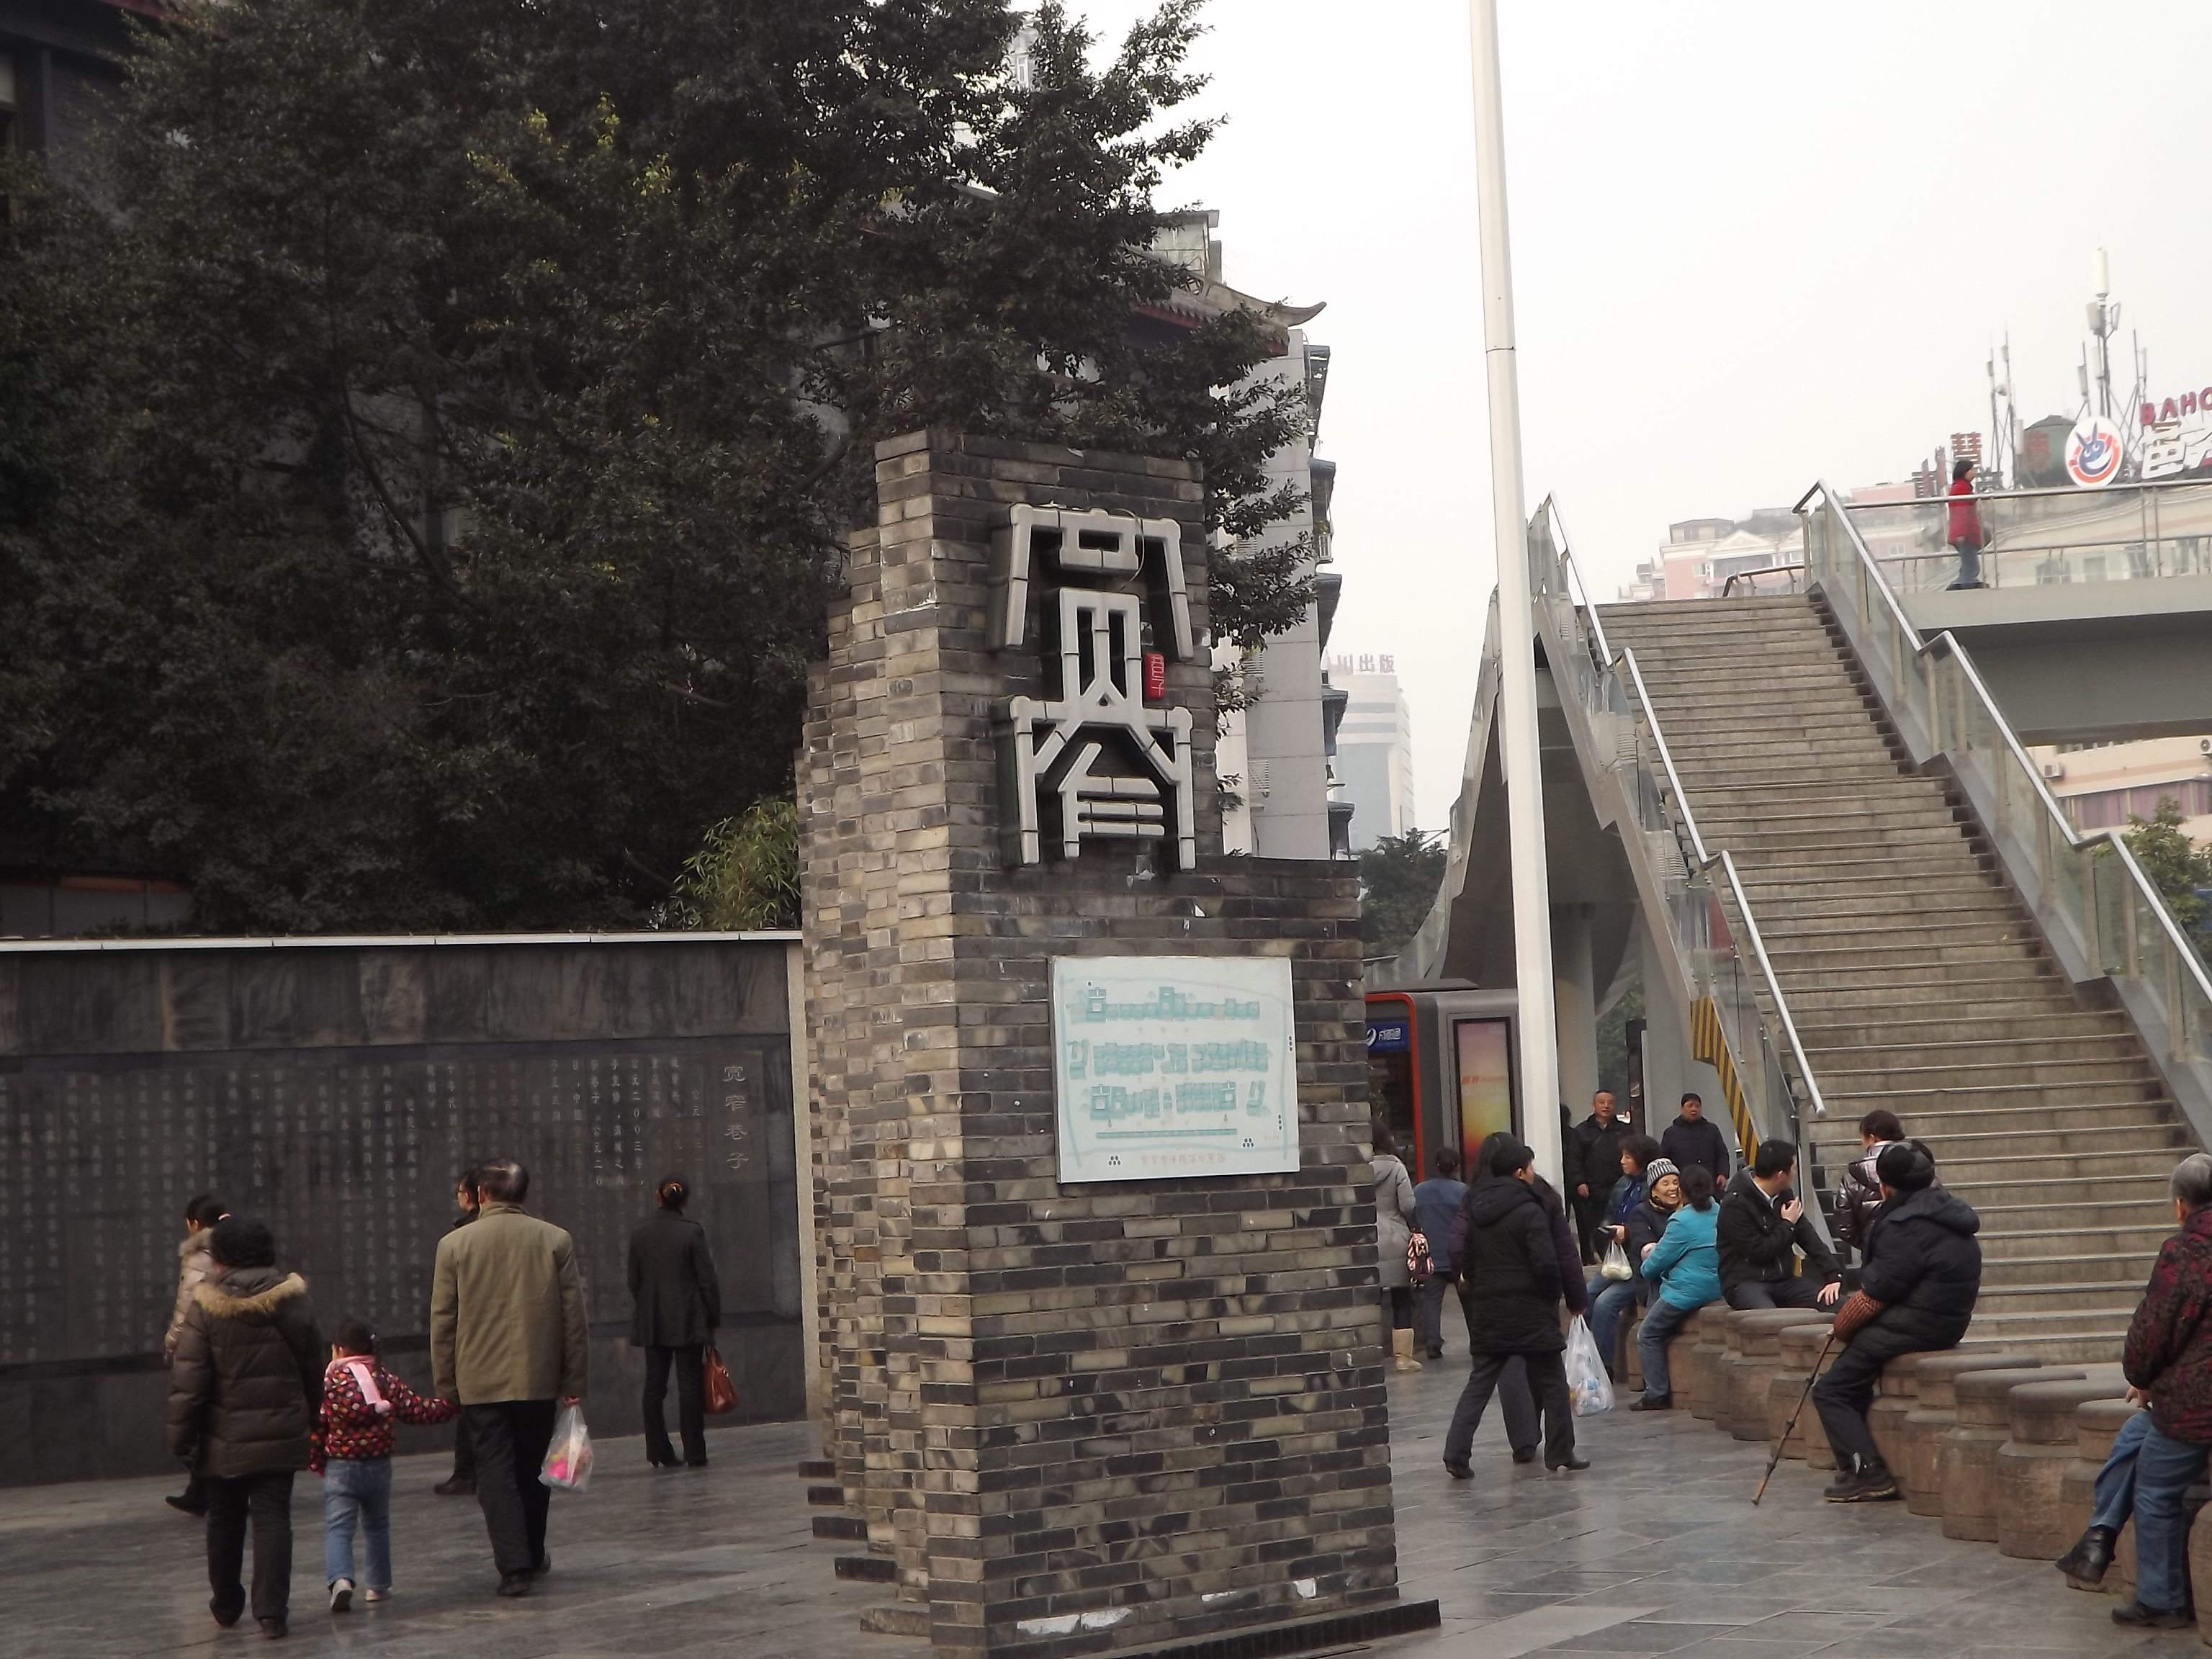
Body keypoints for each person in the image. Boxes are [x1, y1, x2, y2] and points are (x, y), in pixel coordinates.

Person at [430, 1157, 589, 1599]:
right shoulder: (555, 1239)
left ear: (481, 1195)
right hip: (538, 1378)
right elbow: (573, 1318)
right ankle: (533, 1553)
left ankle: (514, 1567)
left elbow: (443, 1321)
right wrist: (574, 1379)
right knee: (532, 1470)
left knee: (494, 1472)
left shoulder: (454, 1245)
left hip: (479, 1381)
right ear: (524, 1194)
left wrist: (446, 1384)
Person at [166, 1216, 323, 1640]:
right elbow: (313, 1370)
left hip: (222, 1438)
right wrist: (312, 1419)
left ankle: (226, 1602)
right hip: (281, 1431)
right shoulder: (294, 1300)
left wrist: (182, 1439)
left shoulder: (205, 1306)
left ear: (220, 1258)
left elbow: (189, 1381)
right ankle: (271, 1613)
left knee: (224, 1518)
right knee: (273, 1518)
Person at [2072, 1152, 2212, 1628]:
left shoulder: (2187, 1251)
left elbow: (2153, 1332)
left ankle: (2160, 1598)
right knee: (2137, 1432)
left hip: (2198, 1406)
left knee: (2155, 1489)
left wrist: (2143, 1376)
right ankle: (2098, 1537)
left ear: (2181, 1205)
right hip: (2192, 1396)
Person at [1811, 1140, 1981, 1502]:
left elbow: (1876, 1294)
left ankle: (1868, 1472)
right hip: (1948, 1320)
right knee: (1854, 1380)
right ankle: (1858, 1460)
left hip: (1915, 1324)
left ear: (1885, 1188)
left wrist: (1841, 1326)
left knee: (1830, 1391)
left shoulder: (1904, 1225)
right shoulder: (1949, 1211)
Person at [1440, 1137, 1584, 1479]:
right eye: (1530, 1167)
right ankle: (1560, 1451)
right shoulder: (1531, 1208)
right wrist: (1549, 1296)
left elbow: (1468, 1259)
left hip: (1489, 1307)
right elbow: (1546, 1262)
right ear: (1520, 1172)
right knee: (1553, 1381)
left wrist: (1480, 1289)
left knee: (1480, 1382)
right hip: (1529, 1308)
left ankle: (1456, 1453)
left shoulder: (1476, 1207)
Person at [314, 1316, 460, 1611]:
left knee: (339, 1528)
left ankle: (341, 1580)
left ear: (339, 1349)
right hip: (378, 1466)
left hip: (341, 1467)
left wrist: (317, 1461)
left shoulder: (329, 1383)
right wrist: (452, 1406)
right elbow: (416, 1409)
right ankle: (378, 1587)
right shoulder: (385, 1379)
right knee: (377, 1526)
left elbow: (318, 1427)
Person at [628, 1175, 724, 1468]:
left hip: (653, 1319)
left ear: (658, 1196)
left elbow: (634, 1280)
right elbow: (707, 1280)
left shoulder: (640, 1233)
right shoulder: (692, 1232)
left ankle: (658, 1450)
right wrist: (712, 1317)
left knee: (654, 1386)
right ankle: (695, 1451)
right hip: (688, 1318)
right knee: (690, 1385)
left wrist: (648, 1304)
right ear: (685, 1200)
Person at [1631, 1163, 1719, 1411]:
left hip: (1688, 1292)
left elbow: (1653, 1266)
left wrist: (1646, 1265)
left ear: (1684, 1191)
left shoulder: (1681, 1220)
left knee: (1647, 1334)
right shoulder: (1720, 1211)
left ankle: (1656, 1393)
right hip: (1720, 1287)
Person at [164, 1192, 230, 1516]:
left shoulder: (198, 1255)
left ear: (194, 1224)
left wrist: (172, 1341)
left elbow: (187, 1307)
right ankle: (200, 1490)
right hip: (233, 1346)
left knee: (198, 1419)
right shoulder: (237, 1247)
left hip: (203, 1347)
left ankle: (209, 1491)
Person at [1718, 1138, 1843, 1312]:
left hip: (1785, 1281)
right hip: (1746, 1283)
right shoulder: (1735, 1204)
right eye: (1794, 1168)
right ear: (1781, 1175)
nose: (1795, 1173)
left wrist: (1833, 1275)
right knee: (1770, 1320)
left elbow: (1807, 1236)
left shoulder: (1783, 1194)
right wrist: (1787, 1224)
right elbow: (1759, 1251)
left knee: (1844, 1307)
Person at [1589, 1153, 1675, 1380]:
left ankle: (1604, 1369)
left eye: (1675, 1182)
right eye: (1666, 1183)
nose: (1673, 1188)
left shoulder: (1684, 1212)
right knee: (1587, 1295)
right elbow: (1643, 1249)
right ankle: (1589, 1359)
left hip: (1648, 1274)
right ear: (1654, 1189)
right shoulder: (1635, 1201)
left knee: (1605, 1304)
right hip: (1628, 1264)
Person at [434, 1167, 482, 1497]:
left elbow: (444, 1311)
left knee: (472, 1412)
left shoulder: (460, 1239)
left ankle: (467, 1473)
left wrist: (444, 1377)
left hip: (473, 1341)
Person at [1370, 1125, 1421, 1372]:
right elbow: (1408, 1205)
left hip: (1366, 1237)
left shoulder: (1357, 1167)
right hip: (1395, 1237)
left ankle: (1369, 1353)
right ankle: (1403, 1357)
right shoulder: (1396, 1167)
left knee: (1371, 1299)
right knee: (1401, 1298)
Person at [1411, 1147, 1470, 1361]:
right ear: (1457, 1167)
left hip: (1431, 1256)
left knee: (1432, 1302)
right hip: (1459, 1257)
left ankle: (1432, 1343)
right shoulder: (1464, 1192)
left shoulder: (1419, 1191)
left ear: (1436, 1166)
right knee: (1469, 1301)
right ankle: (1477, 1341)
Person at [1568, 1090, 1632, 1263]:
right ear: (1594, 1106)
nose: (1606, 1106)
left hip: (1620, 1185)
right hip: (1593, 1188)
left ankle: (1619, 1258)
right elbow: (1574, 1159)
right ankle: (1596, 1256)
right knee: (1595, 1226)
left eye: (1610, 1102)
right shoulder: (1581, 1131)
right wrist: (1579, 1181)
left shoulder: (1625, 1130)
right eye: (1602, 1102)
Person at [1833, 1109, 1905, 1262]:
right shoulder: (1917, 1164)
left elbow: (1845, 1227)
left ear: (1872, 1137)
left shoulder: (1852, 1176)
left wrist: (1868, 1242)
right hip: (1916, 1250)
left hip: (1875, 1257)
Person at [1659, 1092, 1730, 1187]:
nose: (1694, 1109)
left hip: (1710, 1182)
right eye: (1690, 1106)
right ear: (1682, 1109)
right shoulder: (1671, 1133)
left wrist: (1723, 1174)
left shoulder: (1712, 1130)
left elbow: (1722, 1154)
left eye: (1697, 1106)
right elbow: (1665, 1160)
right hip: (1684, 1184)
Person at [1946, 457, 1987, 590]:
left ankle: (1957, 587)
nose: (1974, 472)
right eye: (1971, 470)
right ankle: (1966, 590)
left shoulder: (1960, 487)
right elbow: (1961, 513)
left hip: (1963, 533)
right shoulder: (1962, 489)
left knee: (1968, 565)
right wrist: (1962, 533)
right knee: (1972, 566)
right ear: (1964, 472)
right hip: (1965, 534)